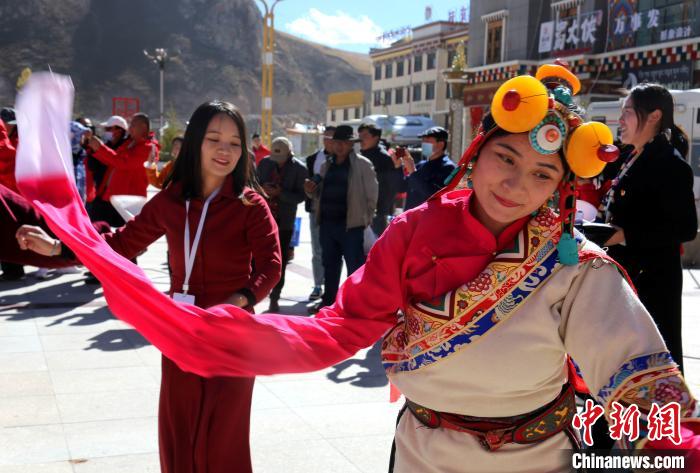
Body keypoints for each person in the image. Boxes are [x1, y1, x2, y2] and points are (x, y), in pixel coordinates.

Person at [18, 68, 700, 473]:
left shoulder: (577, 270)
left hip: (532, 458)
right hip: (421, 450)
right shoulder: (413, 233)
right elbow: (338, 327)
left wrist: (684, 447)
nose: (516, 183)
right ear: (478, 154)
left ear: (560, 187)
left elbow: (641, 384)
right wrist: (243, 333)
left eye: (542, 172)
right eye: (506, 159)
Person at [18, 100, 282, 473]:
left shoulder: (250, 204)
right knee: (180, 424)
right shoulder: (172, 200)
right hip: (180, 327)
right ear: (195, 143)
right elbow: (120, 246)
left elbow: (271, 265)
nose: (225, 151)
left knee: (224, 432)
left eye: (235, 143)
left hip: (233, 329)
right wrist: (60, 248)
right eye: (214, 139)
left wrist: (237, 302)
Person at [603, 83, 698, 374]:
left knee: (653, 364)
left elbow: (685, 228)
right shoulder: (630, 156)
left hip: (653, 281)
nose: (620, 120)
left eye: (628, 113)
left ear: (654, 116)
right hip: (626, 275)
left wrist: (626, 235)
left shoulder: (670, 164)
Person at [304, 125, 377, 312]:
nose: (339, 146)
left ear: (351, 145)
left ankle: (356, 304)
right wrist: (310, 190)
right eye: (337, 142)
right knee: (330, 266)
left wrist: (365, 219)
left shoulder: (362, 165)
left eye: (344, 143)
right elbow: (317, 194)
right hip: (328, 225)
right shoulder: (325, 165)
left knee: (354, 267)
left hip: (351, 227)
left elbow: (372, 196)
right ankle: (329, 302)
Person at [257, 136, 307, 312]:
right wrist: (263, 190)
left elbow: (302, 196)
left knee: (281, 260)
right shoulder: (264, 164)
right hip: (263, 219)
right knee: (257, 258)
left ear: (289, 154)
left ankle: (275, 297)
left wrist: (281, 193)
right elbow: (254, 186)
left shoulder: (299, 169)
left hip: (284, 221)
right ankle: (254, 294)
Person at [85, 113, 159, 227]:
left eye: (133, 125)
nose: (129, 128)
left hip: (128, 201)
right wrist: (96, 150)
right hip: (113, 197)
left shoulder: (149, 148)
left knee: (124, 238)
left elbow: (122, 163)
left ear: (143, 127)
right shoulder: (130, 143)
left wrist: (100, 148)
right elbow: (113, 161)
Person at [304, 126, 335, 301]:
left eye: (332, 138)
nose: (328, 141)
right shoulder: (313, 159)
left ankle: (333, 288)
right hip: (316, 210)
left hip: (337, 211)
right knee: (317, 250)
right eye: (326, 137)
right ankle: (317, 284)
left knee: (333, 251)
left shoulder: (346, 160)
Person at [358, 123, 403, 235]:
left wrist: (379, 211)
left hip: (377, 214)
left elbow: (390, 188)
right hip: (359, 212)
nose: (361, 139)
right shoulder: (360, 155)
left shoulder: (383, 158)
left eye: (365, 136)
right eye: (360, 135)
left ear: (375, 138)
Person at [401, 126, 456, 210]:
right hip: (412, 218)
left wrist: (412, 171)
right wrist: (396, 167)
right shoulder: (421, 165)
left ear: (441, 144)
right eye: (423, 141)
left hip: (430, 218)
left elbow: (434, 194)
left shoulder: (448, 167)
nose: (424, 144)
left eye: (427, 141)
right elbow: (401, 187)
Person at [85, 116, 127, 206]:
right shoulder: (104, 146)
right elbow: (92, 166)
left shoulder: (126, 149)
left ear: (119, 131)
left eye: (108, 129)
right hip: (100, 194)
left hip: (118, 199)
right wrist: (93, 150)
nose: (105, 132)